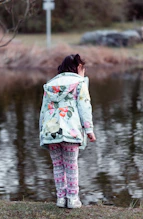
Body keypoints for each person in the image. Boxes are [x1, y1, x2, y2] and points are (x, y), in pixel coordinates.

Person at [39, 54, 96, 209]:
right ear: (78, 67)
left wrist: (41, 133)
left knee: (58, 165)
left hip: (51, 132)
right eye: (83, 69)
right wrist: (89, 129)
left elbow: (43, 111)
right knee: (71, 165)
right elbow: (84, 107)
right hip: (70, 132)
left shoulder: (50, 85)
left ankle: (60, 198)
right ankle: (72, 198)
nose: (84, 72)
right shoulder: (79, 83)